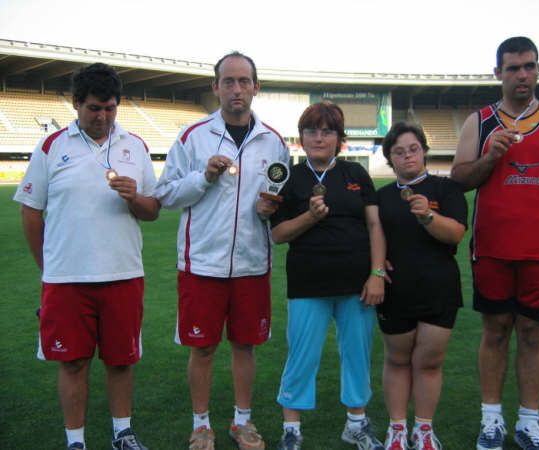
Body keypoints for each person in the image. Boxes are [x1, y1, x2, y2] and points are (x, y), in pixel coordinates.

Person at [451, 36, 539, 450]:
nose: (522, 75)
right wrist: (490, 157)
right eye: (513, 68)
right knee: (495, 330)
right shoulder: (478, 122)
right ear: (498, 73)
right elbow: (459, 180)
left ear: (537, 69)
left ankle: (529, 423)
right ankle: (491, 420)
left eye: (529, 66)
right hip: (492, 249)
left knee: (534, 333)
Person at [13, 63, 159, 450]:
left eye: (110, 108)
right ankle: (75, 441)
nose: (103, 117)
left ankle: (122, 434)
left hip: (124, 273)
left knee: (121, 360)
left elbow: (152, 210)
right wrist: (49, 269)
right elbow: (30, 211)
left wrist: (135, 198)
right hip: (66, 281)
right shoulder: (52, 146)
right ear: (77, 104)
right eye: (95, 108)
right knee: (73, 362)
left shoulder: (135, 145)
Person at [153, 51, 289, 450]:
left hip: (251, 263)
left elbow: (279, 197)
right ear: (215, 88)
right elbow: (166, 194)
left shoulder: (274, 142)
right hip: (201, 263)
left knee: (245, 345)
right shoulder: (191, 137)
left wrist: (270, 208)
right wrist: (203, 178)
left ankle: (241, 422)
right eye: (228, 81)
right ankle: (201, 425)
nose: (236, 89)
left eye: (243, 81)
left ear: (255, 88)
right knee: (204, 347)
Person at [270, 101, 387, 450]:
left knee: (356, 353)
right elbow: (277, 235)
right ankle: (292, 430)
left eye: (327, 131)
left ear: (339, 138)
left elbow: (374, 225)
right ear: (301, 137)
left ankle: (356, 424)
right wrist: (310, 217)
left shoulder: (355, 174)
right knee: (301, 355)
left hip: (357, 285)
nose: (318, 137)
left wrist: (377, 273)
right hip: (308, 284)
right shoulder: (290, 176)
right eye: (311, 131)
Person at [376, 122, 467, 450]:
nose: (407, 156)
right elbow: (372, 237)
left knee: (429, 363)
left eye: (413, 149)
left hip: (439, 290)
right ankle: (397, 428)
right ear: (390, 158)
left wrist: (428, 216)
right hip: (395, 291)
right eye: (398, 152)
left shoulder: (446, 190)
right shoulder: (382, 196)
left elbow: (456, 234)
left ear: (424, 151)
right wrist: (376, 264)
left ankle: (424, 429)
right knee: (397, 360)